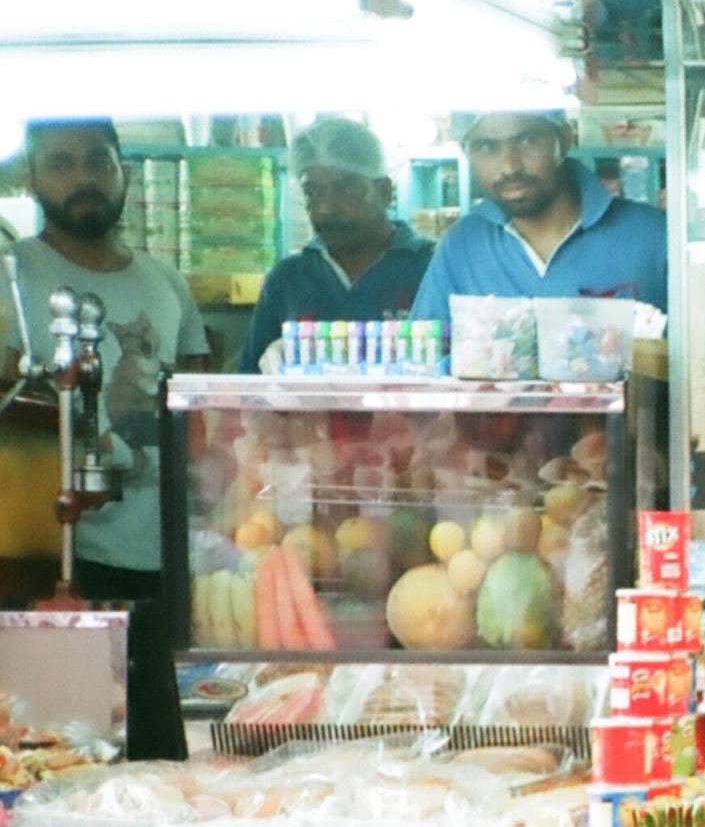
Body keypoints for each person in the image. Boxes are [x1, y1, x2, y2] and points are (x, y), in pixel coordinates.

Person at [0, 118, 214, 759]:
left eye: (99, 161)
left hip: (167, 561)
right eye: (61, 164)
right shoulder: (13, 275)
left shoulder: (165, 281)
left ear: (123, 170)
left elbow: (199, 410)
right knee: (69, 758)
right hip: (55, 560)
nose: (84, 177)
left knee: (167, 759)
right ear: (32, 177)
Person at [408, 110, 666, 319]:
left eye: (527, 141)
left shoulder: (654, 236)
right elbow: (424, 359)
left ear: (564, 140)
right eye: (487, 147)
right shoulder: (462, 245)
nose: (510, 167)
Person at [239, 116, 434, 372]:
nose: (326, 207)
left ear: (385, 192)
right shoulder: (288, 281)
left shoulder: (432, 266)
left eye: (347, 189)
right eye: (312, 192)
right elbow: (251, 387)